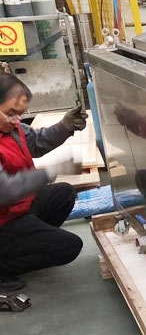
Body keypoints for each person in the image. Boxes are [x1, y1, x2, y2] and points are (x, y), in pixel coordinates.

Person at [0, 73, 88, 293]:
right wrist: (52, 171)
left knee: (63, 193)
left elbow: (36, 141)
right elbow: (4, 191)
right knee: (69, 246)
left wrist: (65, 126)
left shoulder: (11, 127)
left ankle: (27, 245)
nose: (16, 120)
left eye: (19, 114)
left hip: (15, 210)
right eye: (10, 113)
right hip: (4, 219)